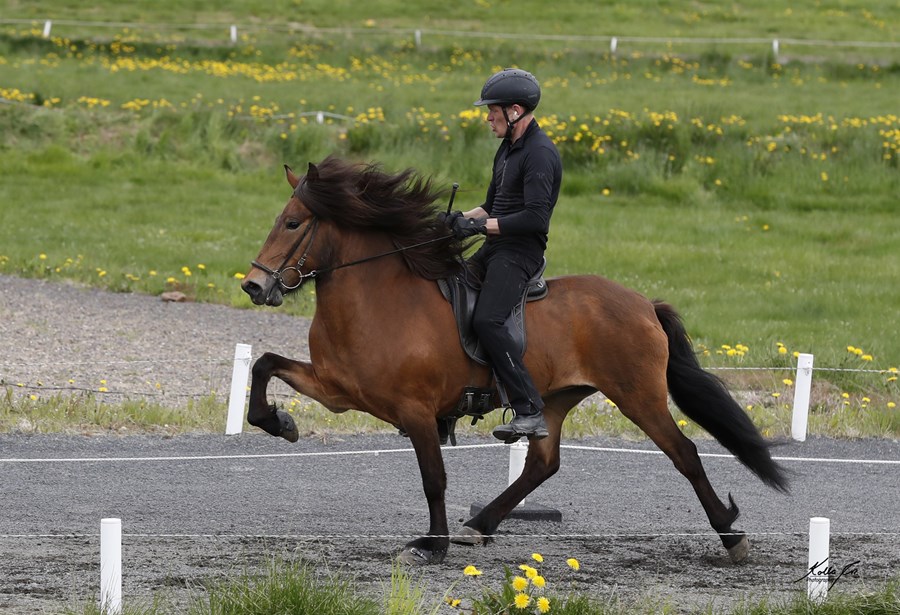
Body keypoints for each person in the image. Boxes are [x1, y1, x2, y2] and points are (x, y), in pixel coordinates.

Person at [444, 68, 562, 443]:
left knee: (489, 319)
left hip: (520, 253)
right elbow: (492, 205)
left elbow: (533, 217)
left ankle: (528, 409)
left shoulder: (540, 154)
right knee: (448, 294)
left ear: (514, 111)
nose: (487, 118)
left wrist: (479, 228)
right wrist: (457, 219)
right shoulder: (508, 149)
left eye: (492, 111)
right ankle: (448, 405)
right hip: (496, 246)